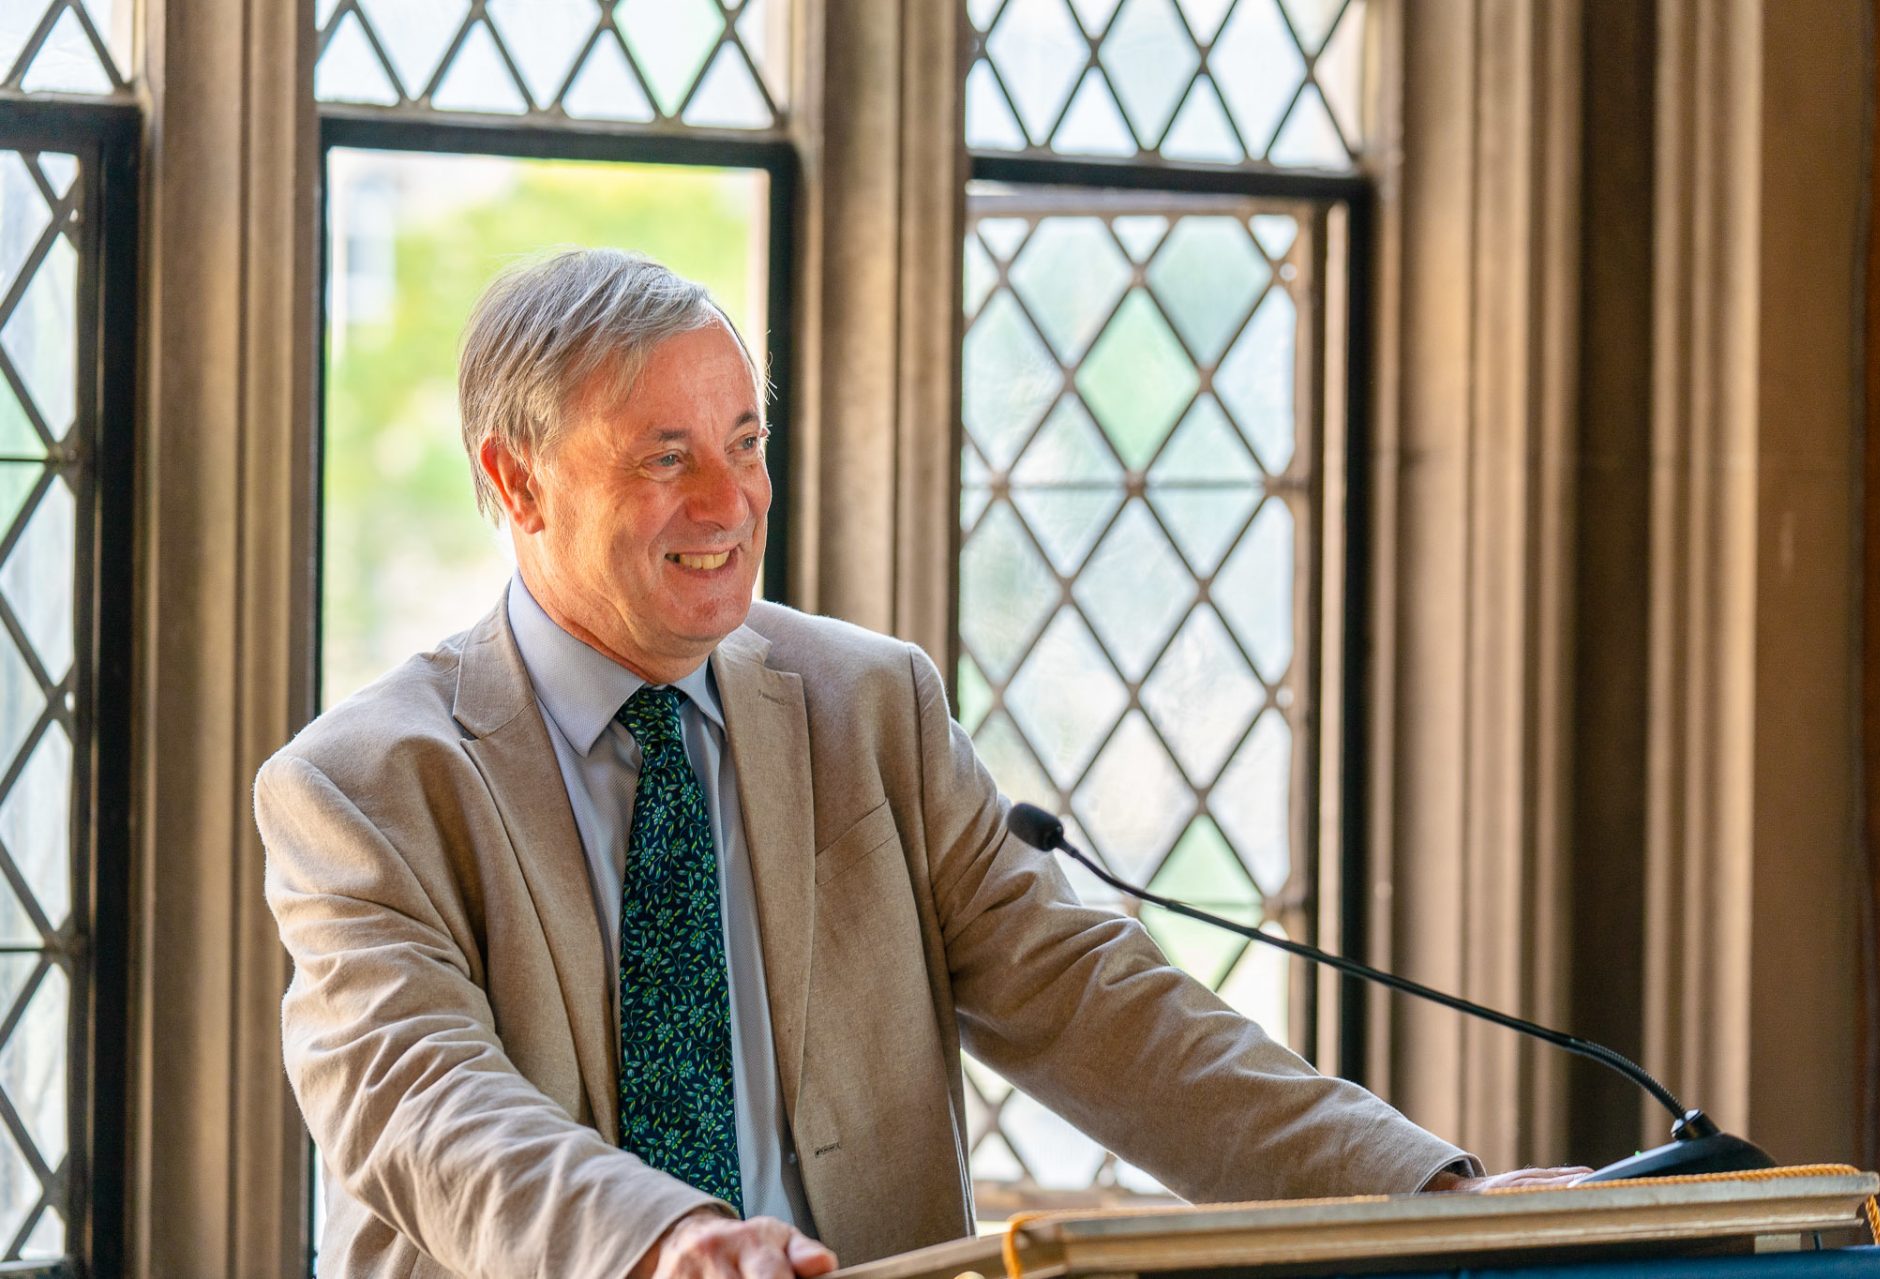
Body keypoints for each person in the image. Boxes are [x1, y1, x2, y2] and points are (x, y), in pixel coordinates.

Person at [256, 250, 1582, 1279]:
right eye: (667, 459)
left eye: (746, 442)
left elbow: (1094, 1002)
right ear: (516, 480)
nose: (727, 505)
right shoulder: (363, 787)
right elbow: (420, 1099)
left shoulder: (869, 704)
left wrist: (1416, 1199)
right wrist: (661, 1242)